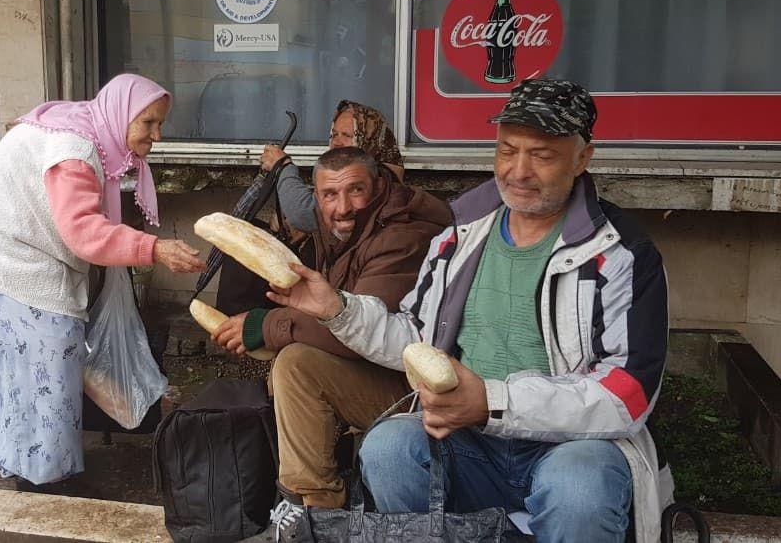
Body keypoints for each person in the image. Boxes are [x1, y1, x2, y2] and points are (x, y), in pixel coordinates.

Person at [265, 79, 671, 542]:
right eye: (506, 150)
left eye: (541, 155)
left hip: (571, 447)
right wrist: (338, 310)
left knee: (579, 486)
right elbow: (416, 340)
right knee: (388, 448)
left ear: (582, 157)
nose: (518, 171)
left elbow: (629, 394)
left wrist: (493, 403)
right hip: (468, 442)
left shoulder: (620, 253)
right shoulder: (461, 237)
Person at [0, 74, 204, 489]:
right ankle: (43, 476)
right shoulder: (74, 148)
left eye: (160, 123)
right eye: (147, 123)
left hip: (21, 243)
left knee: (34, 361)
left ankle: (27, 455)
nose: (157, 135)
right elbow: (83, 231)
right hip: (13, 253)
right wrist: (154, 249)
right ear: (120, 115)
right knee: (48, 357)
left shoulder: (91, 132)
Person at [211, 146, 451, 509]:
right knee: (291, 362)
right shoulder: (337, 224)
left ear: (379, 184)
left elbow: (364, 330)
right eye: (329, 194)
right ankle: (309, 504)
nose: (342, 208)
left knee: (295, 363)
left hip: (415, 390)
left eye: (355, 190)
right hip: (379, 367)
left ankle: (316, 505)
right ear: (317, 196)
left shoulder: (402, 235)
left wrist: (267, 324)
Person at [259, 100, 403, 233]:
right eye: (334, 135)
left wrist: (283, 167)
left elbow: (305, 214)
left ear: (368, 139)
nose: (337, 142)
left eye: (346, 135)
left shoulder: (379, 179)